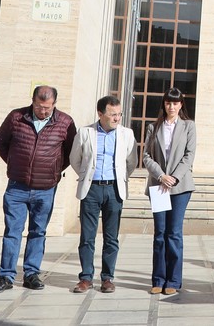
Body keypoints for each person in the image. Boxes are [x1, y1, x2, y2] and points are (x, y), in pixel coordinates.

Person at [0, 85, 77, 294]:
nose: (43, 111)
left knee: (38, 232)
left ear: (54, 104)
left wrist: (53, 170)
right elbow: (1, 143)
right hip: (17, 187)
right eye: (39, 106)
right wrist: (15, 164)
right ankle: (6, 275)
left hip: (46, 188)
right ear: (32, 101)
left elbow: (71, 152)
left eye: (47, 107)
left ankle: (31, 274)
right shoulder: (16, 117)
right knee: (12, 231)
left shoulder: (65, 122)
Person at [69, 95, 137, 293]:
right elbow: (75, 159)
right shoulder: (85, 133)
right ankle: (86, 278)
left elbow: (131, 162)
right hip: (91, 189)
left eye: (119, 114)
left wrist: (119, 178)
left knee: (111, 237)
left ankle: (107, 278)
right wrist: (88, 176)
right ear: (100, 114)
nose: (117, 118)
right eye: (112, 114)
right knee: (87, 237)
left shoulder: (127, 134)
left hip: (114, 189)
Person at [143, 87, 196, 295]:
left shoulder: (188, 126)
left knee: (174, 234)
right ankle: (158, 279)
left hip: (180, 187)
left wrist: (174, 177)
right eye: (168, 103)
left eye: (175, 103)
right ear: (163, 104)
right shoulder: (153, 127)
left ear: (181, 105)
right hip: (159, 186)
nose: (171, 106)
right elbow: (147, 156)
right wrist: (161, 176)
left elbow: (189, 155)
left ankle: (173, 281)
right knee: (160, 234)